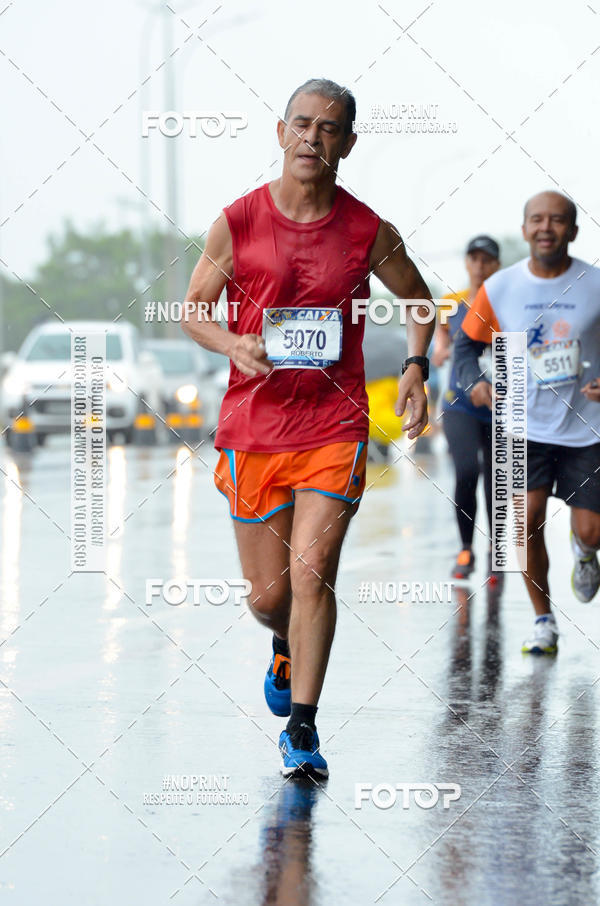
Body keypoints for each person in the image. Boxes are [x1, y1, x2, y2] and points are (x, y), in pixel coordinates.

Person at [181, 78, 434, 776]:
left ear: (347, 144)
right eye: (302, 124)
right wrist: (233, 344)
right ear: (280, 131)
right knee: (270, 598)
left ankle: (303, 728)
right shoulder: (236, 222)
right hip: (254, 427)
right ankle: (282, 643)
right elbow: (193, 308)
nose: (312, 138)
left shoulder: (366, 230)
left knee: (313, 572)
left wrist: (416, 366)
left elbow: (418, 301)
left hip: (334, 425)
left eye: (329, 129)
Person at [454, 191, 600, 654]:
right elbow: (464, 348)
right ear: (523, 230)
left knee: (591, 529)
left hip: (587, 428)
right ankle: (543, 621)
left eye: (557, 220)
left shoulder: (595, 284)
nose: (546, 227)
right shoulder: (499, 288)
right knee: (525, 524)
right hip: (524, 427)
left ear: (573, 231)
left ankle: (585, 551)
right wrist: (474, 382)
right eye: (536, 219)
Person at [433, 236, 501, 579]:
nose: (479, 266)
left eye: (487, 260)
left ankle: (494, 551)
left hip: (499, 406)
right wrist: (445, 350)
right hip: (458, 404)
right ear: (466, 263)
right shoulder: (451, 303)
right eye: (474, 259)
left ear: (497, 265)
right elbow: (439, 348)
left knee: (495, 479)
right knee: (466, 472)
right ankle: (465, 549)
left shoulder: (506, 301)